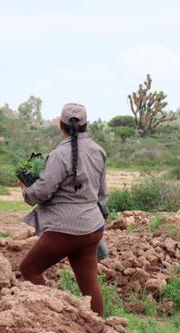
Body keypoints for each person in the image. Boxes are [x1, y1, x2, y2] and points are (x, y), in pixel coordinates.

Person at [19, 103, 108, 316]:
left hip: (65, 229)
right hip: (93, 227)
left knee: (29, 269)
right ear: (86, 125)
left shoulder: (58, 154)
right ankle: (99, 329)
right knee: (89, 285)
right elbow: (102, 194)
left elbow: (42, 192)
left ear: (61, 125)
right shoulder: (99, 151)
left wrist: (25, 190)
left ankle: (57, 317)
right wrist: (99, 224)